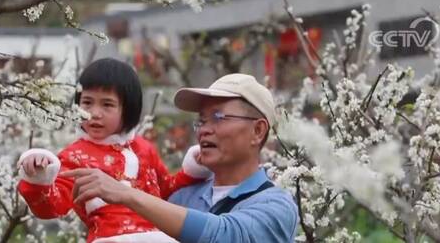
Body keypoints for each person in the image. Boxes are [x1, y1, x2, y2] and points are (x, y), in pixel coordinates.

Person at [62, 73, 299, 243]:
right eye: (202, 120)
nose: (204, 129)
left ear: (257, 131)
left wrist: (128, 194)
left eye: (218, 117)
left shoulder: (274, 205)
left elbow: (225, 235)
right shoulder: (182, 197)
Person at [16, 58, 211, 243]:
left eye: (107, 104)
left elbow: (166, 192)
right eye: (87, 102)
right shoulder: (74, 156)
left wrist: (192, 170)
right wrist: (39, 178)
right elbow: (52, 207)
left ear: (128, 109)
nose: (94, 113)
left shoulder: (144, 148)